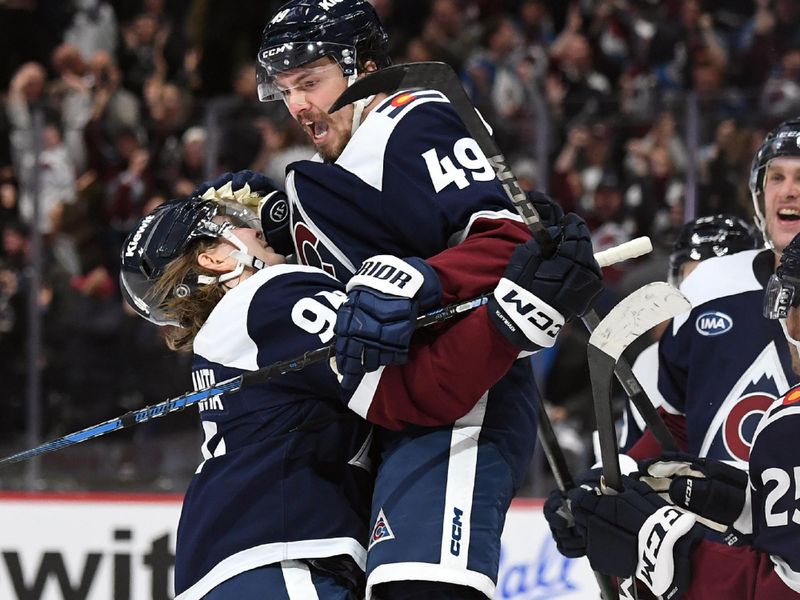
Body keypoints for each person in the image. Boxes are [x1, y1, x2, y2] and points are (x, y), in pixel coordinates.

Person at [224, 2, 605, 598]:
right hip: (404, 403)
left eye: (311, 83)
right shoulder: (342, 160)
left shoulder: (410, 118)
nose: (298, 106)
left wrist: (422, 278)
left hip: (464, 402)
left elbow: (508, 240)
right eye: (287, 90)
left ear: (368, 68)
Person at [119, 195, 599, 600]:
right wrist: (514, 318)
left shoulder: (231, 335)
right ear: (214, 257)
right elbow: (412, 388)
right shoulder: (266, 297)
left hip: (228, 567)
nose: (252, 225)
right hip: (275, 559)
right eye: (232, 224)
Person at [544, 231, 800, 600]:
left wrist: (675, 558)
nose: (786, 324)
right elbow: (675, 422)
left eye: (790, 305)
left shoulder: (789, 420)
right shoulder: (707, 305)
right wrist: (739, 500)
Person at [624, 119, 800, 467]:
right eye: (776, 178)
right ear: (760, 194)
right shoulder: (711, 285)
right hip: (720, 518)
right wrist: (621, 476)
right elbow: (676, 421)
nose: (789, 191)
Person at [619, 214, 761, 452]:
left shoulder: (781, 347)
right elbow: (633, 459)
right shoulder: (649, 362)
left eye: (715, 284)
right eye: (692, 281)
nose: (700, 297)